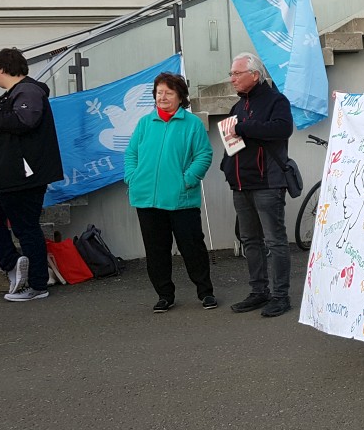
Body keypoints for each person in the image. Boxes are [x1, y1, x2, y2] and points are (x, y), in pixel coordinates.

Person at [0, 47, 64, 302]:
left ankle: (37, 284)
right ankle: (13, 263)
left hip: (20, 176)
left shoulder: (29, 91)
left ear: (2, 68)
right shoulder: (12, 95)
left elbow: (23, 122)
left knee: (26, 228)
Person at [124, 72, 216, 313]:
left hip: (181, 199)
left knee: (192, 248)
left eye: (168, 92)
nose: (162, 97)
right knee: (156, 251)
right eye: (159, 92)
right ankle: (164, 295)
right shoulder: (145, 123)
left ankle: (205, 292)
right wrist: (132, 177)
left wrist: (188, 180)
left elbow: (204, 155)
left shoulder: (192, 124)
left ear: (180, 97)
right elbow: (131, 154)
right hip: (146, 199)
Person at [221, 52, 294, 318]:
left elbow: (282, 129)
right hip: (241, 184)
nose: (232, 79)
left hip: (268, 182)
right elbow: (233, 140)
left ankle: (280, 296)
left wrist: (244, 127)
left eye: (236, 73)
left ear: (254, 75)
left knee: (275, 241)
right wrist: (226, 167)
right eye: (231, 74)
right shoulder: (238, 106)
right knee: (250, 240)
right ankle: (258, 291)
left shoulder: (276, 100)